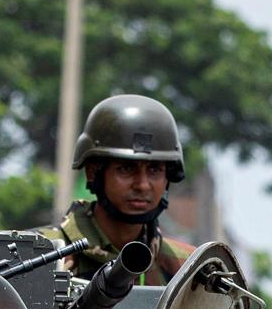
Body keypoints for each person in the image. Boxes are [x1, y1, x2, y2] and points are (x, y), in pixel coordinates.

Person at [59, 93, 196, 285]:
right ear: (93, 172)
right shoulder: (44, 256)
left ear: (168, 177)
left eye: (154, 170)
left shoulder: (189, 270)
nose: (142, 184)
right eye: (125, 169)